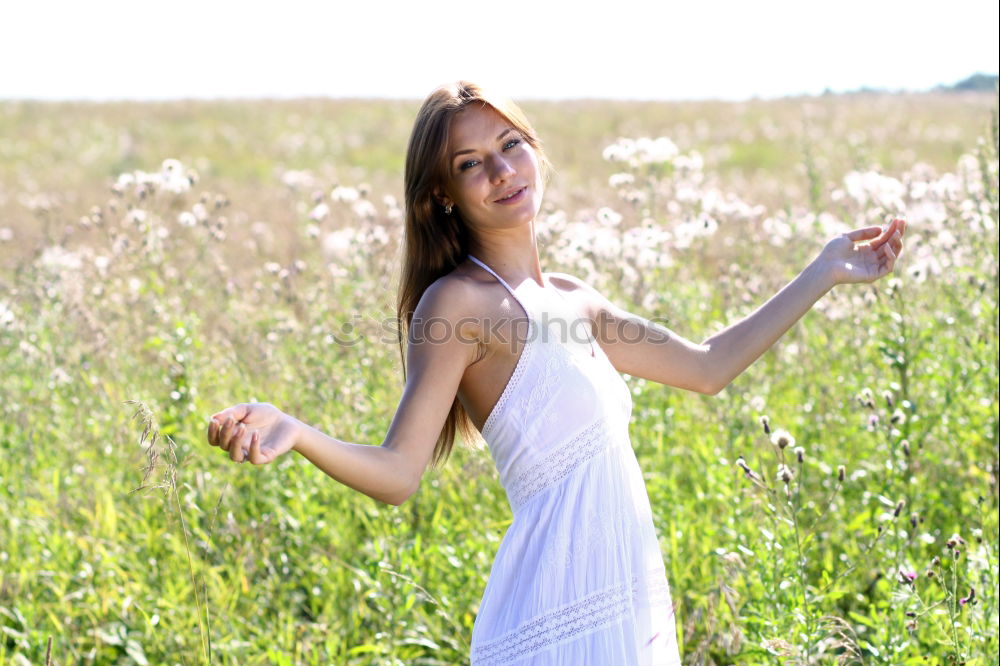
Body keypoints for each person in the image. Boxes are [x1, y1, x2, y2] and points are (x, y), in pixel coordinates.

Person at [206, 81, 906, 664]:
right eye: (472, 164)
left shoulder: (573, 300)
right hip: (553, 617)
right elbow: (398, 472)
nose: (503, 171)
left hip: (623, 602)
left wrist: (824, 271)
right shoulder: (457, 304)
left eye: (511, 146)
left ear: (536, 152)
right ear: (443, 194)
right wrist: (296, 430)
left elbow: (707, 367)